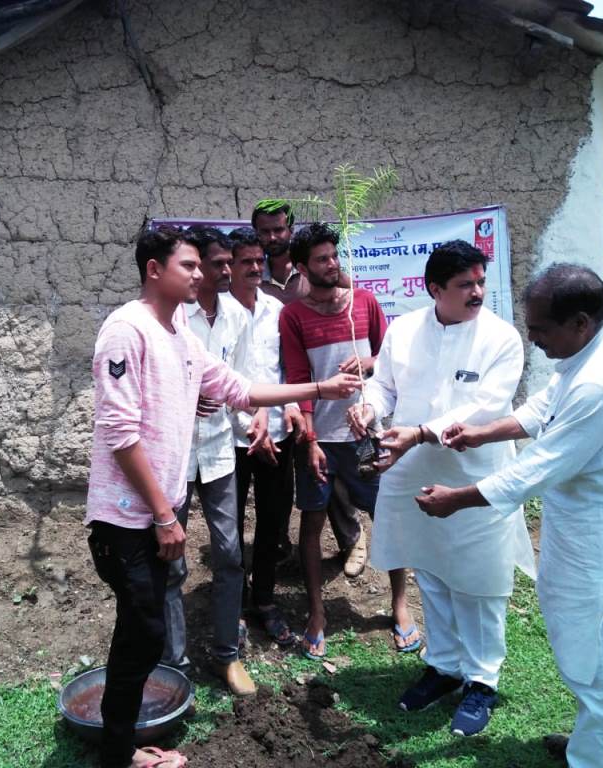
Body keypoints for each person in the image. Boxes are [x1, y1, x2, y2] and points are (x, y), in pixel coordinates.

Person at [85, 225, 360, 768]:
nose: (202, 274)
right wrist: (164, 515)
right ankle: (120, 754)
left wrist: (320, 390)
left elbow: (241, 389)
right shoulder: (126, 330)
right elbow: (120, 434)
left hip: (155, 512)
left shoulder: (179, 335)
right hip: (126, 517)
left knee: (142, 631)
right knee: (141, 632)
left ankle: (121, 744)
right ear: (154, 270)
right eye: (188, 265)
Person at [419, 264, 603, 768]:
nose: (534, 340)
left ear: (580, 323)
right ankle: (590, 744)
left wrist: (457, 498)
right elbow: (550, 402)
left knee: (601, 660)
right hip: (584, 524)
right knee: (585, 644)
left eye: (541, 329)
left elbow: (541, 466)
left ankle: (600, 760)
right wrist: (486, 431)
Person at [346, 240, 536, 737]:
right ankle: (445, 667)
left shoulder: (501, 338)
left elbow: (486, 407)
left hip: (476, 475)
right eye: (465, 284)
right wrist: (369, 406)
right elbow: (384, 385)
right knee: (429, 568)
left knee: (480, 579)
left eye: (480, 282)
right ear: (434, 289)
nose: (477, 292)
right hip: (411, 468)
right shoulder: (405, 330)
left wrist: (420, 432)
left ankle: (483, 680)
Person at [279, 222, 417, 661]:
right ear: (302, 268)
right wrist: (310, 439)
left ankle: (400, 604)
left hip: (365, 435)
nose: (331, 264)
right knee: (313, 523)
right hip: (320, 439)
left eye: (333, 256)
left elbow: (388, 361)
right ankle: (317, 613)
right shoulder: (293, 316)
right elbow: (298, 378)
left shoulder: (364, 302)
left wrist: (369, 363)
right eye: (321, 259)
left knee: (386, 516)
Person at [161, 226, 257, 695]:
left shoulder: (238, 316)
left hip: (219, 451)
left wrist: (253, 423)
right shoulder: (171, 316)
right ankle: (173, 665)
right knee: (169, 560)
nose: (221, 272)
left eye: (225, 264)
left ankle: (226, 656)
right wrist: (185, 395)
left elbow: (241, 382)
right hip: (174, 455)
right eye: (211, 264)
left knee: (230, 554)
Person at [252, 199, 368, 578]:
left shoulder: (313, 271)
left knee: (325, 468)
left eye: (279, 229)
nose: (272, 237)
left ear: (290, 230)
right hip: (274, 383)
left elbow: (348, 303)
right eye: (265, 231)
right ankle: (280, 544)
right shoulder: (253, 274)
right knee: (284, 475)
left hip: (316, 383)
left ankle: (352, 538)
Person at [227, 226, 305, 647]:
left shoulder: (276, 310)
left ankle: (265, 598)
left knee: (274, 519)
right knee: (231, 523)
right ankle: (235, 603)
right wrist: (248, 423)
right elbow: (219, 380)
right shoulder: (216, 313)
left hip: (276, 432)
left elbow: (287, 367)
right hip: (232, 438)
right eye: (247, 261)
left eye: (260, 260)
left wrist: (290, 404)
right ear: (229, 266)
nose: (256, 267)